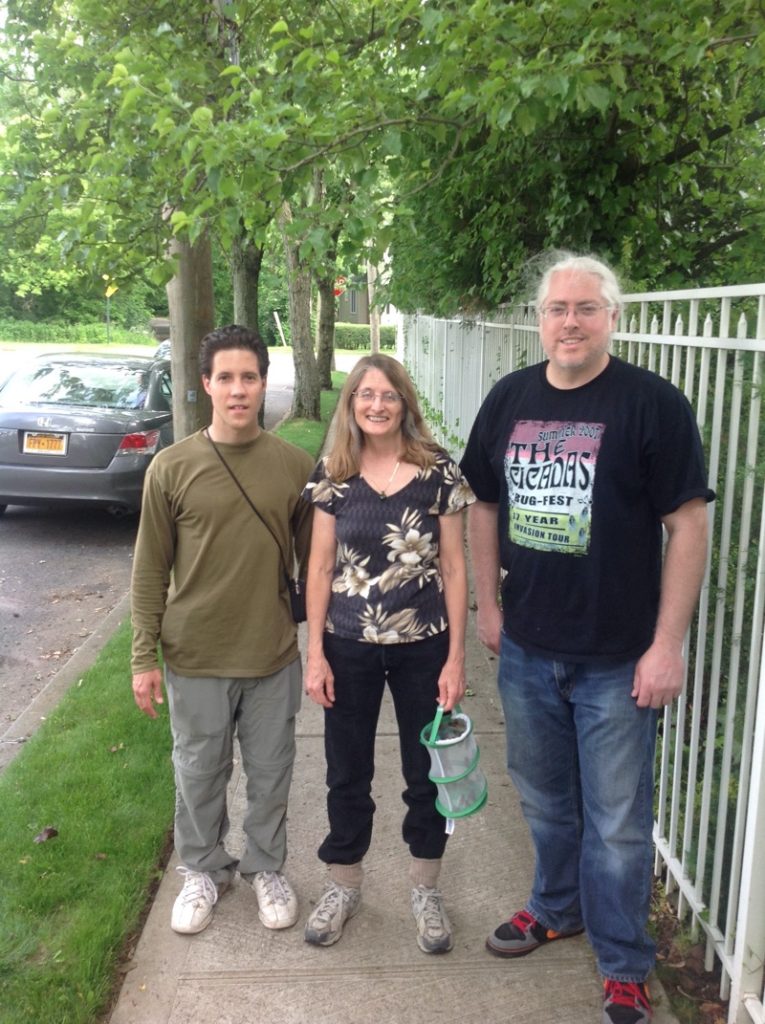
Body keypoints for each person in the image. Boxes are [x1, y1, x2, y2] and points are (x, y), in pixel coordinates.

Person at [459, 254, 714, 1024]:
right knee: (544, 802)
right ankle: (555, 906)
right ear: (538, 319)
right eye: (555, 308)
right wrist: (486, 609)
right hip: (529, 649)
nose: (569, 321)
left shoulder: (651, 405)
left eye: (585, 308)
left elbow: (688, 524)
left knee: (617, 825)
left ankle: (623, 962)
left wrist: (666, 645)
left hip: (617, 660)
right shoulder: (509, 399)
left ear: (612, 317)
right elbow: (481, 507)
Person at [130, 324, 313, 936]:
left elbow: (317, 568)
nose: (239, 390)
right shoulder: (170, 467)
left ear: (264, 384)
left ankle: (265, 867)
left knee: (271, 772)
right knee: (199, 771)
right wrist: (142, 657)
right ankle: (204, 869)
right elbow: (151, 567)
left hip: (271, 655)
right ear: (206, 385)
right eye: (226, 378)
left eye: (250, 377)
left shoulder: (294, 467)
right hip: (195, 654)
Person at [301, 353, 474, 953]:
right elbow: (319, 567)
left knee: (425, 774)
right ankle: (344, 884)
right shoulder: (334, 474)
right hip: (346, 647)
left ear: (405, 402)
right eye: (365, 395)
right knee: (347, 773)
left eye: (389, 395)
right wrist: (314, 653)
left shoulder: (439, 472)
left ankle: (426, 889)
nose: (377, 405)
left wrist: (456, 658)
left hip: (422, 649)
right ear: (351, 405)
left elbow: (454, 568)